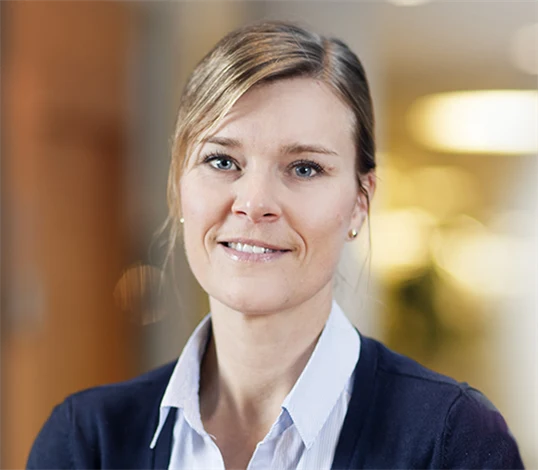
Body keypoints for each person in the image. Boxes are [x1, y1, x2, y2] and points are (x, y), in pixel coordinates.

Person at [27, 21, 524, 470]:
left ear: (360, 202)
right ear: (179, 183)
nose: (255, 203)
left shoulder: (452, 441)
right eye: (222, 161)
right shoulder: (85, 442)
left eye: (304, 168)